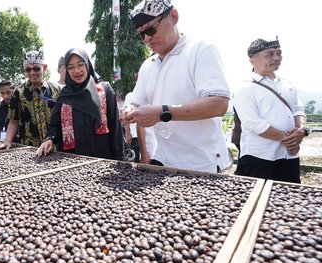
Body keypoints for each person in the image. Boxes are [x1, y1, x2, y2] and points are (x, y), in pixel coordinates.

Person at [121, 0, 230, 173]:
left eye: (151, 29)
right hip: (163, 161)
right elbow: (136, 101)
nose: (147, 38)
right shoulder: (147, 65)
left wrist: (162, 113)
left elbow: (218, 103)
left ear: (174, 16)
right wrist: (128, 111)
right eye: (141, 35)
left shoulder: (200, 50)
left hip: (201, 162)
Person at [232, 38, 308, 183]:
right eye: (270, 54)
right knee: (255, 198)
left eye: (279, 53)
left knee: (288, 197)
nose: (277, 58)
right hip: (260, 156)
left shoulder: (287, 85)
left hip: (289, 156)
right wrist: (289, 140)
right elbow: (252, 123)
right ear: (252, 60)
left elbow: (298, 110)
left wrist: (301, 130)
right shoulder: (245, 88)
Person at [37, 49, 123, 160]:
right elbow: (55, 125)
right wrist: (50, 139)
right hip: (71, 162)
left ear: (87, 65)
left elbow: (115, 127)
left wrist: (119, 161)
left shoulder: (104, 90)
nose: (76, 71)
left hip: (102, 160)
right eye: (71, 67)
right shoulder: (64, 95)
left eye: (80, 65)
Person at [0, 49, 60, 150]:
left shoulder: (56, 89)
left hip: (54, 146)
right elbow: (13, 120)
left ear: (44, 68)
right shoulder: (18, 92)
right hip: (29, 148)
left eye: (36, 68)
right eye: (28, 69)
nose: (32, 73)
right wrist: (7, 141)